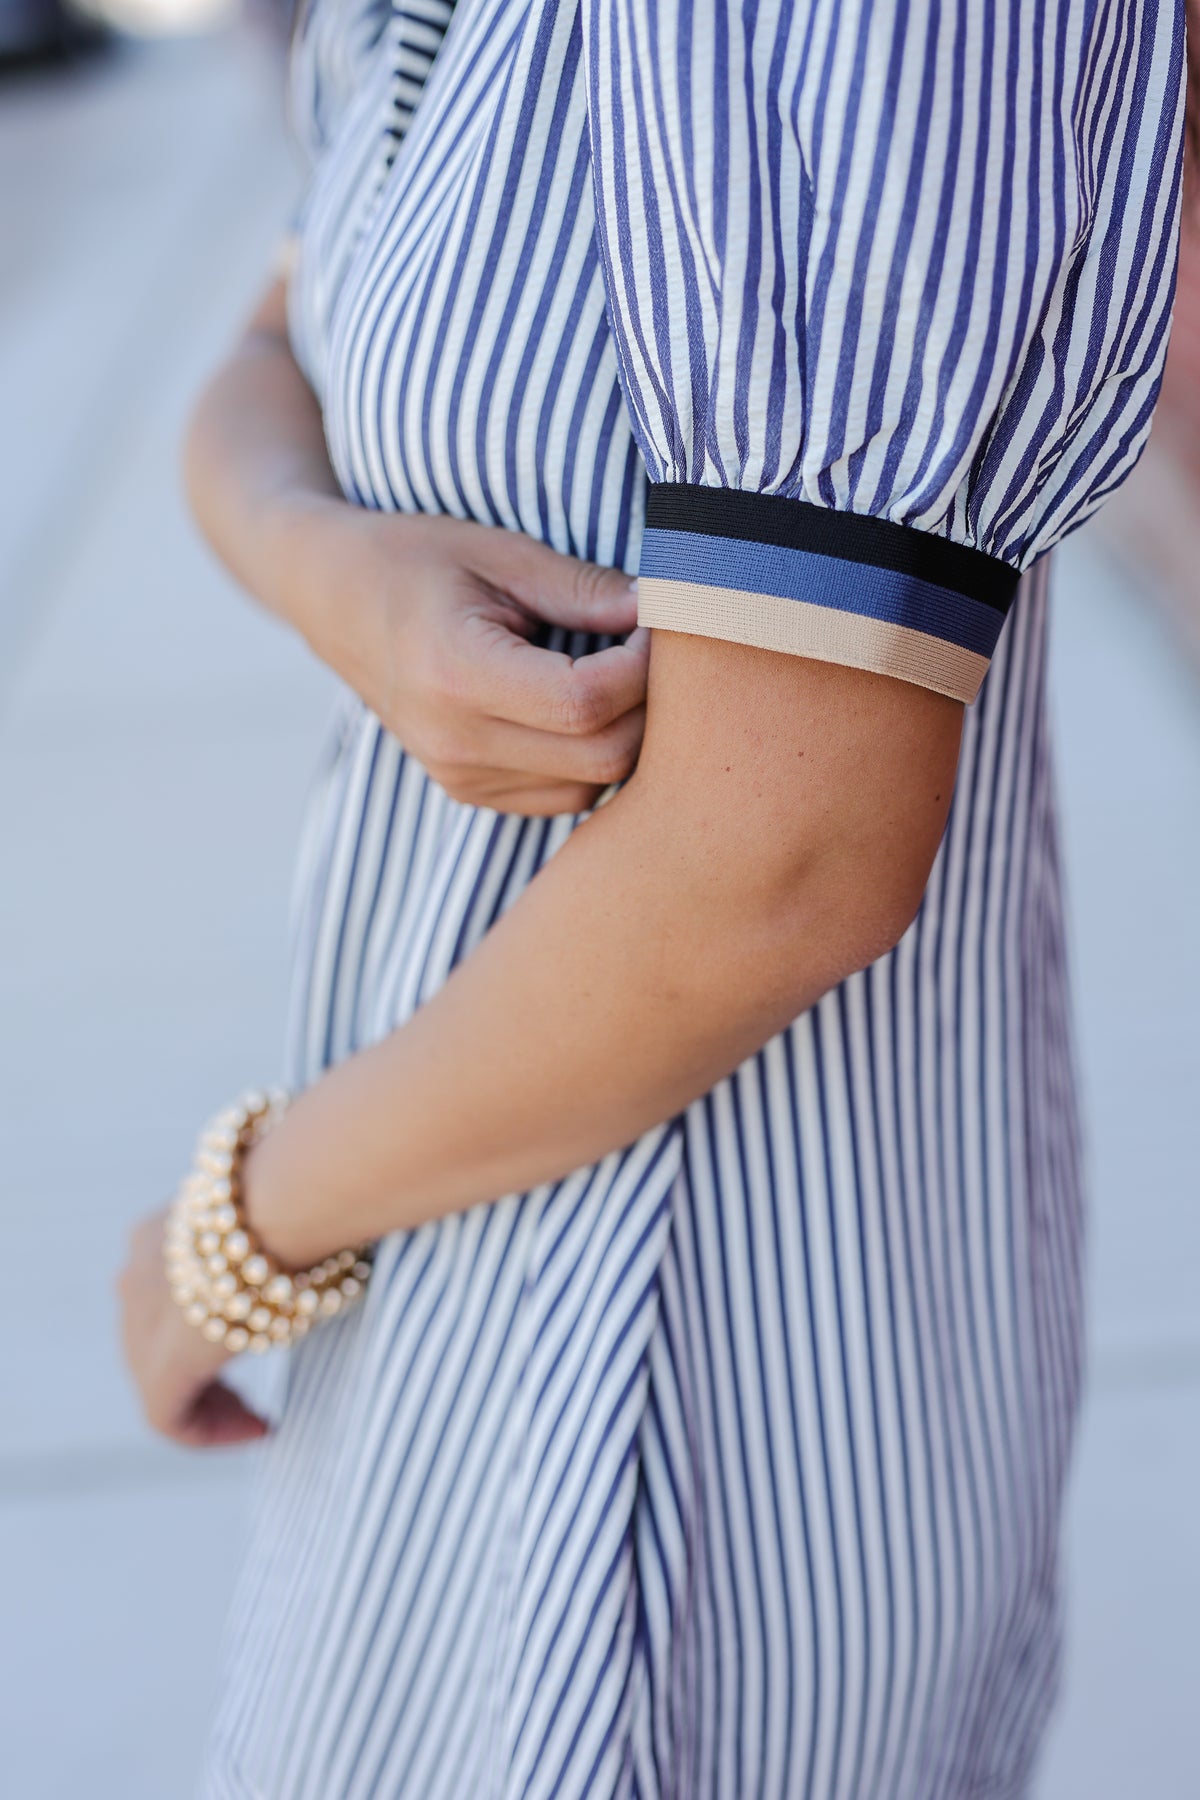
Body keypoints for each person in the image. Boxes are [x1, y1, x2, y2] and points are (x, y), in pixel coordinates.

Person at [118, 0, 1185, 1793]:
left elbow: (780, 868)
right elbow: (267, 347)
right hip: (442, 1229)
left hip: (688, 1402)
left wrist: (231, 1236)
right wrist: (336, 570)